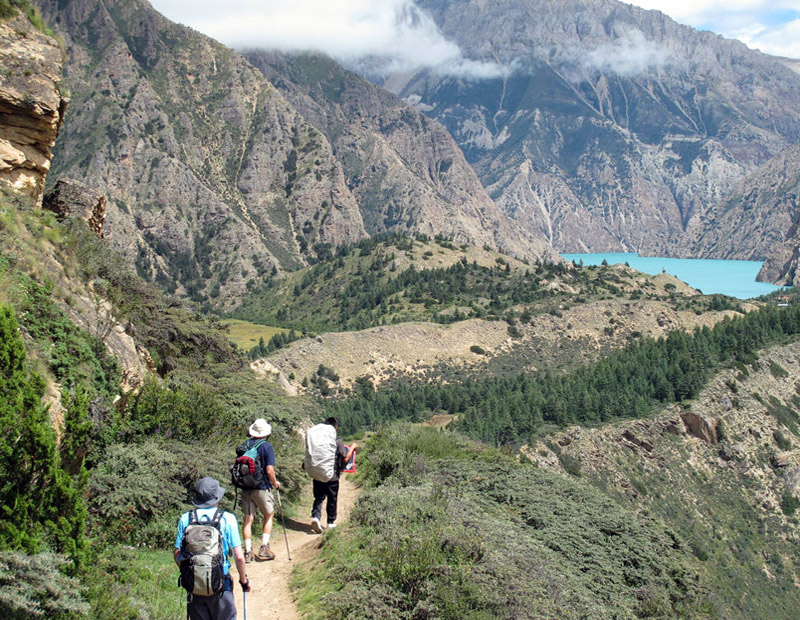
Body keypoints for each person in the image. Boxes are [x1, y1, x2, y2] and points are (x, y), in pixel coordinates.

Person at [174, 477, 250, 620]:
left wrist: (193, 573)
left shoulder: (186, 519)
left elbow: (177, 553)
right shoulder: (227, 518)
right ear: (217, 497)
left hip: (195, 588)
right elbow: (239, 556)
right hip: (221, 586)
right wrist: (243, 580)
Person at [241, 418, 281, 561]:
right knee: (269, 514)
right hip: (262, 487)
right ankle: (264, 547)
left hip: (246, 487)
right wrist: (275, 483)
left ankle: (247, 552)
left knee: (248, 518)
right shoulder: (267, 447)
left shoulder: (244, 445)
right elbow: (269, 470)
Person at [310, 417, 357, 533]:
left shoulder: (318, 441)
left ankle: (316, 517)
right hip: (332, 476)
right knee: (332, 498)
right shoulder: (337, 441)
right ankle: (330, 522)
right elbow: (345, 459)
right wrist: (352, 448)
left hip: (318, 473)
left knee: (319, 497)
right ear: (335, 427)